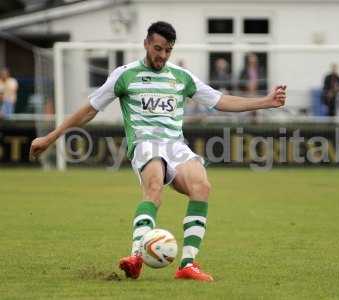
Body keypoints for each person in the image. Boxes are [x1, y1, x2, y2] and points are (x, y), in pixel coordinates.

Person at [29, 21, 286, 282]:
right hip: (144, 142)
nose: (162, 55)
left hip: (176, 146)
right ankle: (136, 258)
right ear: (146, 44)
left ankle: (187, 265)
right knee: (154, 185)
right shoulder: (124, 75)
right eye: (158, 48)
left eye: (167, 50)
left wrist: (265, 101)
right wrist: (51, 137)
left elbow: (219, 101)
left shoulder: (181, 77)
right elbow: (89, 109)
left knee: (202, 187)